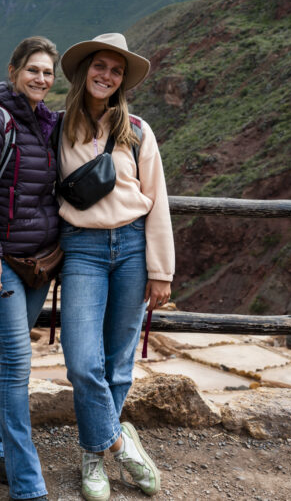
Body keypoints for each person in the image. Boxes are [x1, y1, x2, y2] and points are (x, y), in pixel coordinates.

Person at [56, 33, 174, 500]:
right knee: (84, 362)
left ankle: (92, 455)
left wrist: (160, 270)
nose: (106, 75)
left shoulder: (139, 132)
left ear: (123, 80)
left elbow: (157, 200)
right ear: (85, 70)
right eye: (100, 66)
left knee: (119, 361)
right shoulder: (58, 128)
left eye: (116, 70)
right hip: (81, 248)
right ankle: (120, 443)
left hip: (130, 247)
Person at [0, 36, 60, 501]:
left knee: (5, 356)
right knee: (19, 361)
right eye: (33, 70)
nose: (41, 79)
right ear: (14, 70)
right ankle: (26, 481)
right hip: (3, 265)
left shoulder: (47, 125)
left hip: (39, 265)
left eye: (48, 73)